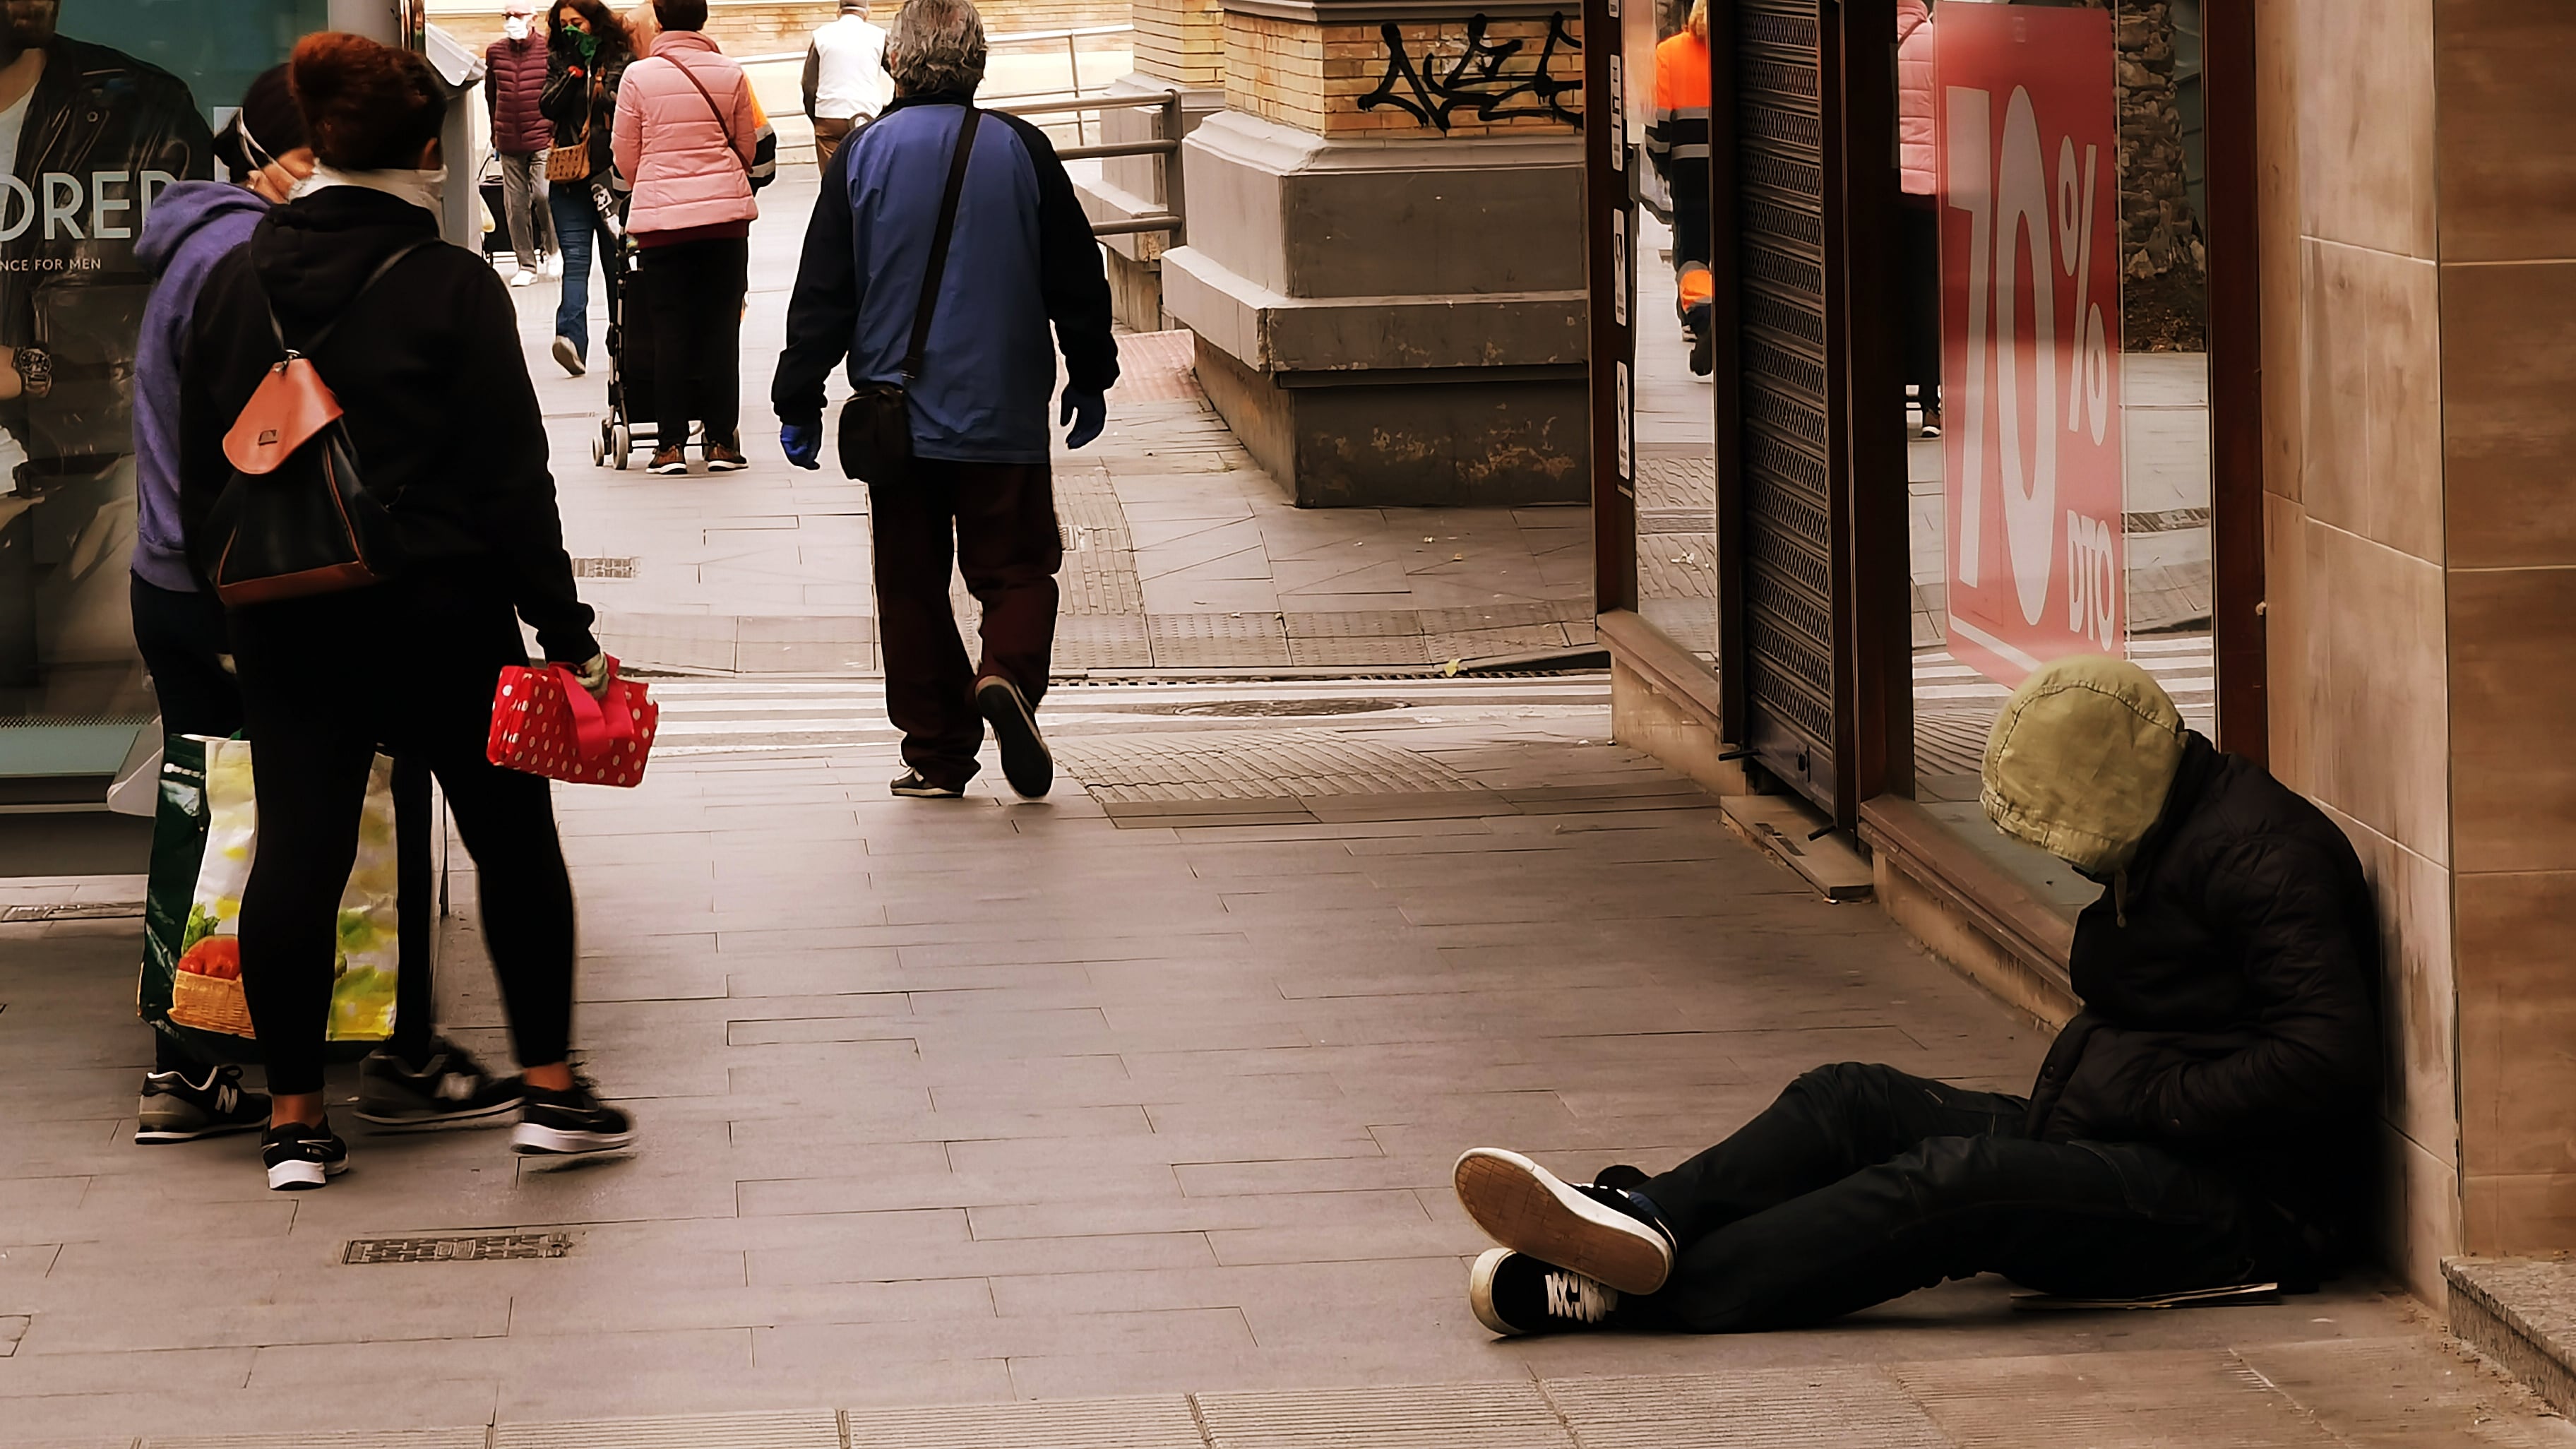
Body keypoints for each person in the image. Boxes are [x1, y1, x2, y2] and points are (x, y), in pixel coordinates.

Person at [1450, 657, 2380, 1335]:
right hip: (2116, 1135)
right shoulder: (2174, 830)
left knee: (1954, 1187)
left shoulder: (2268, 858)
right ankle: (1647, 1217)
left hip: (2243, 1210)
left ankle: (1641, 1296)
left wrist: (2142, 1102)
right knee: (1848, 1096)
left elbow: (2325, 1056)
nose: (2058, 854)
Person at [178, 31, 636, 1191]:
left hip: (288, 615)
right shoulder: (447, 283)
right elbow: (512, 478)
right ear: (428, 150)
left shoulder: (236, 278)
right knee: (511, 842)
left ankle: (293, 1122)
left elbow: (200, 466)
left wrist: (229, 606)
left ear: (318, 144)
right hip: (444, 611)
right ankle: (548, 1091)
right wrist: (565, 630)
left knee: (302, 852)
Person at [131, 68, 529, 1150]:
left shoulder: (224, 246)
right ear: (269, 157)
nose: (330, 181)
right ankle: (196, 1063)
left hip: (219, 581)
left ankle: (363, 1054)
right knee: (261, 831)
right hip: (239, 584)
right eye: (315, 159)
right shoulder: (237, 259)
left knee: (273, 823)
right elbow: (224, 454)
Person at [773, 0, 1116, 802]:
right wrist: (1090, 371)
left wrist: (800, 397)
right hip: (1004, 409)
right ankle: (1006, 677)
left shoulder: (861, 154)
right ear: (979, 65)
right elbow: (1076, 272)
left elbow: (824, 289)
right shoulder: (1022, 149)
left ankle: (937, 751)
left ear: (895, 63)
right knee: (1020, 566)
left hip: (899, 419)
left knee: (911, 582)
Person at [613, 0, 770, 475]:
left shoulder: (638, 77)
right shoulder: (733, 73)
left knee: (669, 332)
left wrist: (658, 181)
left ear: (658, 21)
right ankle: (721, 442)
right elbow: (747, 146)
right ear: (703, 20)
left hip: (663, 229)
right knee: (722, 329)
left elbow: (625, 157)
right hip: (725, 223)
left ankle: (670, 446)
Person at [539, 0, 633, 376]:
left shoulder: (621, 59)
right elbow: (547, 106)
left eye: (576, 23)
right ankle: (571, 341)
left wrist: (600, 85)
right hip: (569, 180)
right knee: (575, 264)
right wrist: (575, 73)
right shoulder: (560, 60)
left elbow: (627, 106)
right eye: (564, 25)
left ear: (594, 22)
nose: (570, 31)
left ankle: (623, 344)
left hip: (611, 180)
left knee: (617, 266)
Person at [1645, 0, 1713, 376]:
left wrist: (1662, 165)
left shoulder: (1669, 53)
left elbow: (1659, 123)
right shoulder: (1747, 49)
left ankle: (1704, 318)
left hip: (1690, 173)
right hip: (1746, 174)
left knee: (1692, 255)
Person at [486, 0, 560, 287]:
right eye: (507, 16)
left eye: (517, 15)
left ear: (533, 18)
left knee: (543, 195)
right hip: (508, 139)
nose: (511, 21)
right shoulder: (495, 52)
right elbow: (491, 94)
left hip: (541, 136)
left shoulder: (547, 51)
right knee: (515, 205)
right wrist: (494, 131)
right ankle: (526, 263)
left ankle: (553, 250)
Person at [1898, 0, 1940, 435]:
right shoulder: (1935, 42)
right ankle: (1930, 403)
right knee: (1927, 290)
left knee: (1886, 291)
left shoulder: (1864, 39)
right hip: (1928, 190)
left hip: (1882, 188)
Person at [803, 0, 893, 174]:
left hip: (829, 117)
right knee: (867, 173)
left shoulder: (821, 35)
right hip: (868, 115)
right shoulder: (879, 36)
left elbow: (809, 84)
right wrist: (891, 109)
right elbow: (899, 74)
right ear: (867, 11)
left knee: (832, 178)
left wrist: (815, 116)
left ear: (839, 12)